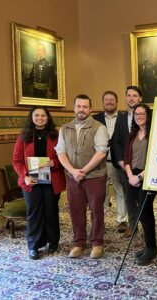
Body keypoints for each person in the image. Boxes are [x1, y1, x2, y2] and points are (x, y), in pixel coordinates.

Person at [56, 94, 109, 259]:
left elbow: (101, 152)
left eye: (85, 106)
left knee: (96, 210)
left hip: (95, 176)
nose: (81, 109)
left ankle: (97, 243)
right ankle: (79, 243)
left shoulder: (99, 127)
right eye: (78, 106)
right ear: (74, 108)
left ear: (90, 109)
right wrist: (72, 171)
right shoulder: (65, 129)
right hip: (73, 178)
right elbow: (61, 152)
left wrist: (83, 171)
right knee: (75, 211)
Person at [12, 106, 66, 260]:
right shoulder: (24, 136)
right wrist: (25, 176)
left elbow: (63, 158)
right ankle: (34, 246)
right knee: (34, 213)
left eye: (43, 115)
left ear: (48, 118)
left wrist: (53, 162)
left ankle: (53, 241)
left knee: (51, 211)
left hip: (52, 181)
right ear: (32, 117)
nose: (40, 118)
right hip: (31, 180)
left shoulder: (56, 135)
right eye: (37, 115)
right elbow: (16, 161)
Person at [124, 104, 157, 266]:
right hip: (133, 176)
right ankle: (148, 246)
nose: (139, 116)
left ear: (148, 115)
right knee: (142, 212)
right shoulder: (133, 134)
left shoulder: (154, 134)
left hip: (148, 176)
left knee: (144, 212)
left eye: (142, 113)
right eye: (137, 114)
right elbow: (126, 157)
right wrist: (130, 176)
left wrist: (139, 177)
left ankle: (151, 248)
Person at [93, 91, 128, 233]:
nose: (109, 102)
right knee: (101, 192)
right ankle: (101, 221)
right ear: (103, 102)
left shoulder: (124, 118)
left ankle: (122, 221)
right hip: (100, 162)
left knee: (120, 190)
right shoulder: (95, 119)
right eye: (106, 100)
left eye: (112, 100)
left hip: (117, 161)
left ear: (117, 102)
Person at [112, 85, 143, 237]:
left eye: (135, 95)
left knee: (144, 199)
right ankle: (133, 225)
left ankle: (147, 223)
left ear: (140, 98)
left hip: (144, 166)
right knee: (129, 198)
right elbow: (116, 142)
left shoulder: (147, 118)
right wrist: (121, 163)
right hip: (126, 166)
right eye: (129, 95)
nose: (131, 98)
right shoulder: (121, 118)